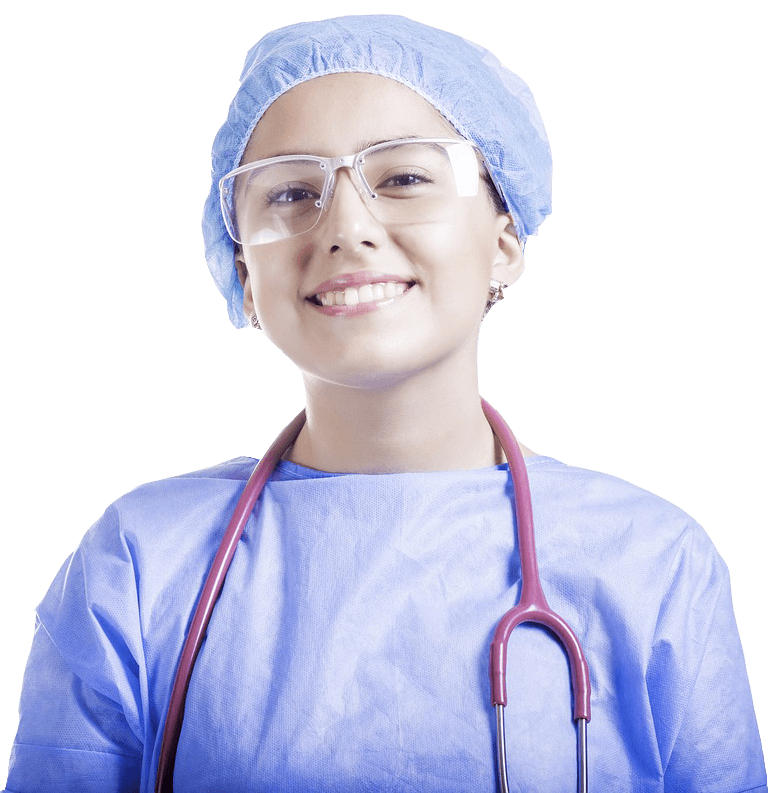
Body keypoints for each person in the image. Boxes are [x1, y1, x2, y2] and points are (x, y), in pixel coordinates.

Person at [3, 14, 764, 793]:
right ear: (243, 272)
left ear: (505, 242)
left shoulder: (656, 560)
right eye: (292, 192)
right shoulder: (138, 562)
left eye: (403, 179)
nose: (347, 228)